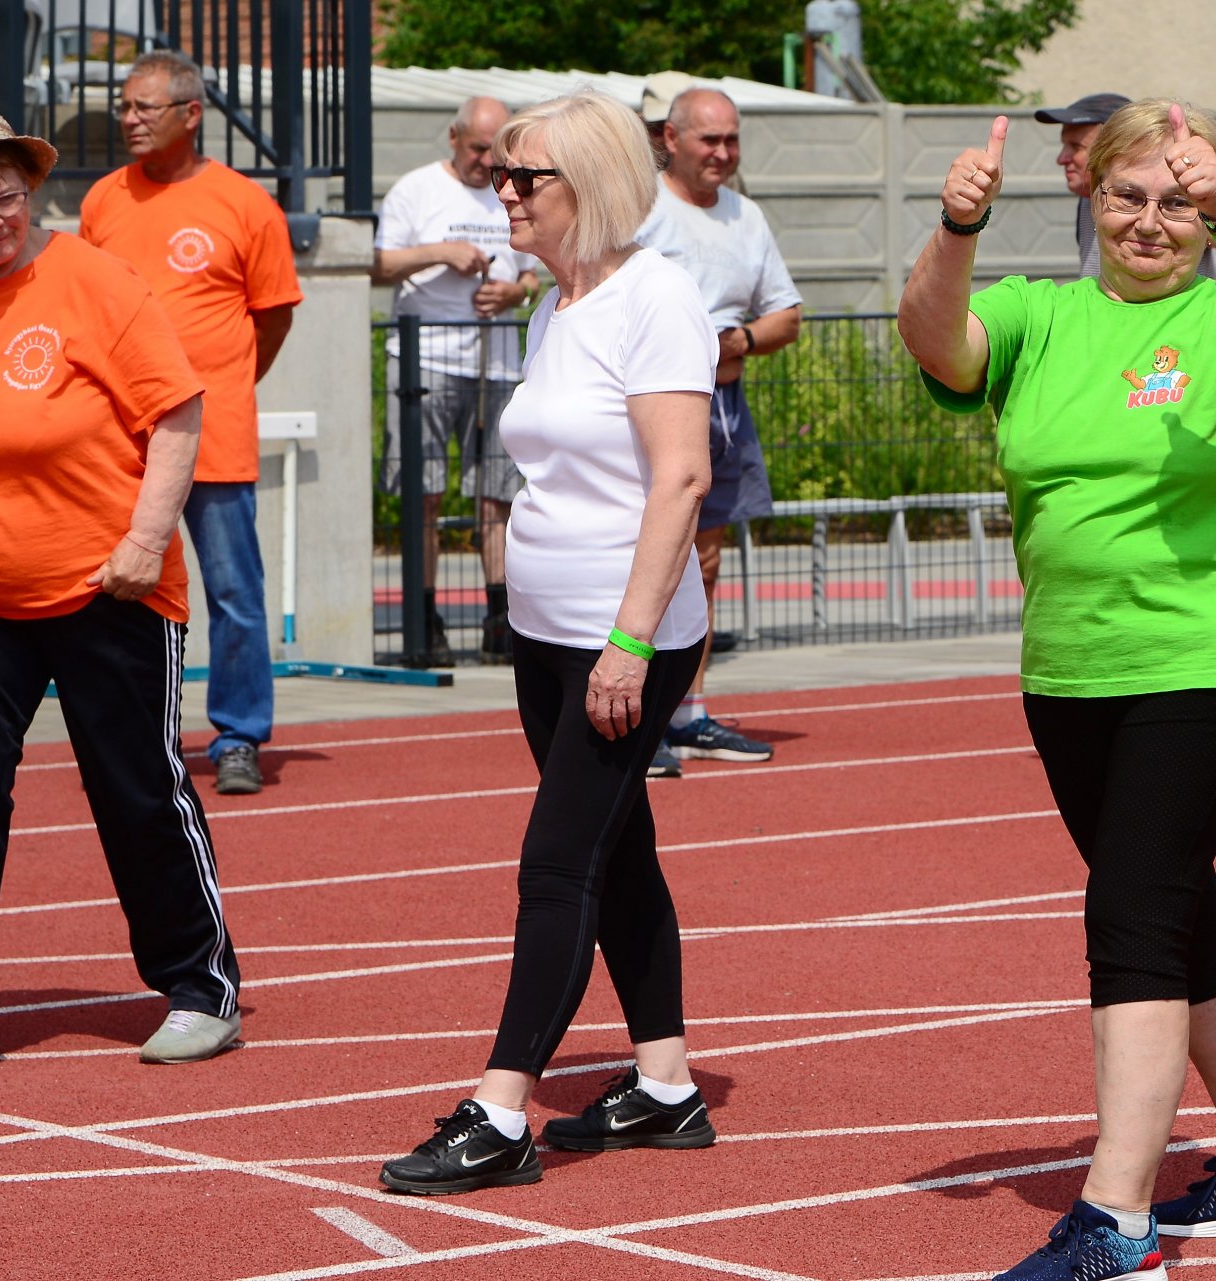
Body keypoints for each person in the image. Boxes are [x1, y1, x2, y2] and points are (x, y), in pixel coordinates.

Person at [896, 101, 1216, 1280]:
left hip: (1207, 654)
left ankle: (1116, 1220)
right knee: (1181, 914)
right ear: (1091, 200)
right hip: (1069, 666)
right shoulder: (1039, 315)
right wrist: (953, 229)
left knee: (1131, 917)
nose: (1152, 223)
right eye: (1128, 198)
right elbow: (939, 347)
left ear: (1208, 212)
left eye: (1178, 202)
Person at [376, 89, 718, 1196]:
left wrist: (629, 642)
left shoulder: (657, 296)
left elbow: (681, 478)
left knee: (556, 863)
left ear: (594, 184)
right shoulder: (560, 301)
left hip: (622, 635)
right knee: (620, 852)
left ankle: (502, 1110)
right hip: (545, 628)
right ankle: (666, 1088)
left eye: (525, 178)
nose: (502, 192)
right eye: (500, 175)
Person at [0, 102, 242, 1080]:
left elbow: (178, 410)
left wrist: (145, 538)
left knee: (136, 792)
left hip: (104, 585)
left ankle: (200, 986)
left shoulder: (91, 279)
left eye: (5, 199)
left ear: (29, 193)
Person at [79, 50, 303, 796]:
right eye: (125, 106)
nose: (129, 119)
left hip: (215, 435)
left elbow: (270, 319)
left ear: (191, 114)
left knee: (234, 593)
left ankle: (237, 735)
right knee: (122, 592)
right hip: (119, 441)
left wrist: (220, 387)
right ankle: (140, 731)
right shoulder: (104, 201)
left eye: (144, 107)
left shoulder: (245, 204)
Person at [634, 87, 801, 778]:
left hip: (727, 408)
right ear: (670, 138)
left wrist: (740, 340)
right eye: (710, 140)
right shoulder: (641, 209)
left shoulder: (746, 215)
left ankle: (687, 711)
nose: (723, 154)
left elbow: (786, 316)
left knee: (703, 564)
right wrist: (700, 346)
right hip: (657, 408)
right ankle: (634, 716)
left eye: (731, 140)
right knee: (646, 557)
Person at [372, 96, 541, 668]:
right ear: (452, 136)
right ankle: (425, 617)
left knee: (498, 492)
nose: (484, 164)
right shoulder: (416, 190)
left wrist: (514, 293)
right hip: (428, 359)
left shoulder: (514, 188)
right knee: (425, 493)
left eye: (494, 155)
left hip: (494, 362)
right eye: (476, 151)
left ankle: (500, 618)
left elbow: (532, 273)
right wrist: (440, 253)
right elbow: (376, 266)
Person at [1036, 92, 1216, 281]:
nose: (1062, 158)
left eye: (1075, 147)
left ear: (1114, 148)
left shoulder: (1182, 201)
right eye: (1128, 198)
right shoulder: (1090, 201)